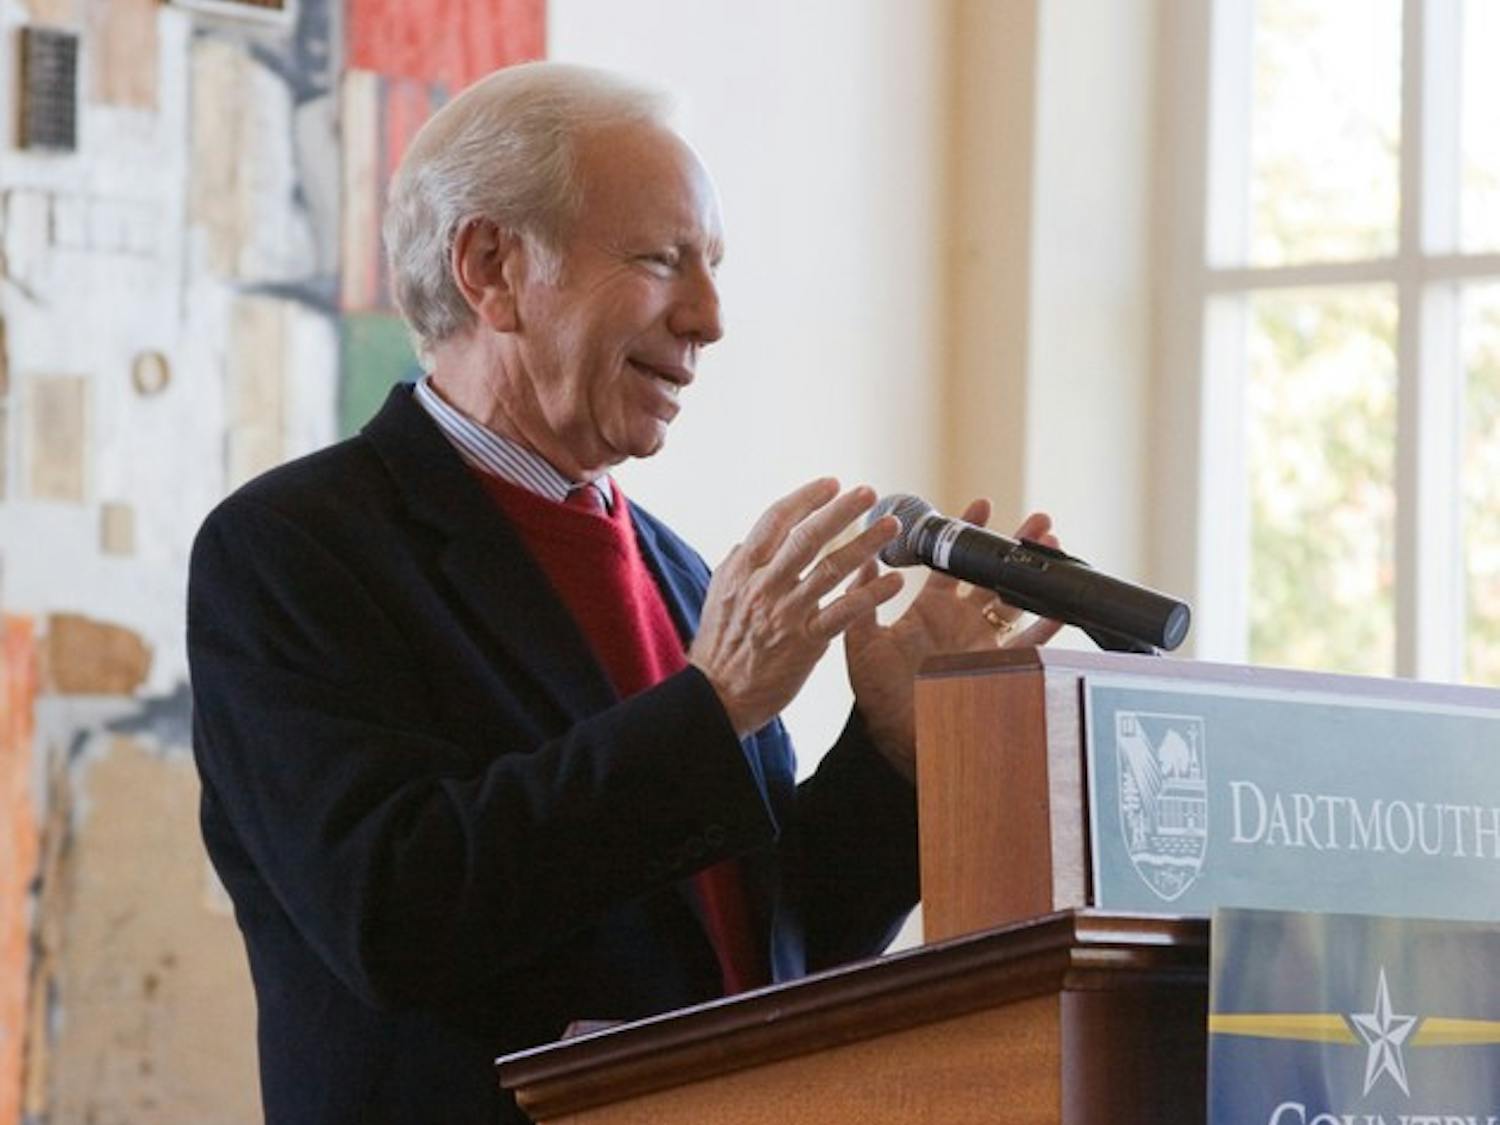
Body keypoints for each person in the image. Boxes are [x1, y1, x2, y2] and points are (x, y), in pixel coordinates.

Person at [187, 61, 1059, 1124]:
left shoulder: (681, 574)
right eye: (660, 260)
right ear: (492, 268)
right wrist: (714, 705)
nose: (709, 318)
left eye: (714, 268)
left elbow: (763, 957)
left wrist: (889, 755)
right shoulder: (294, 549)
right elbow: (392, 915)